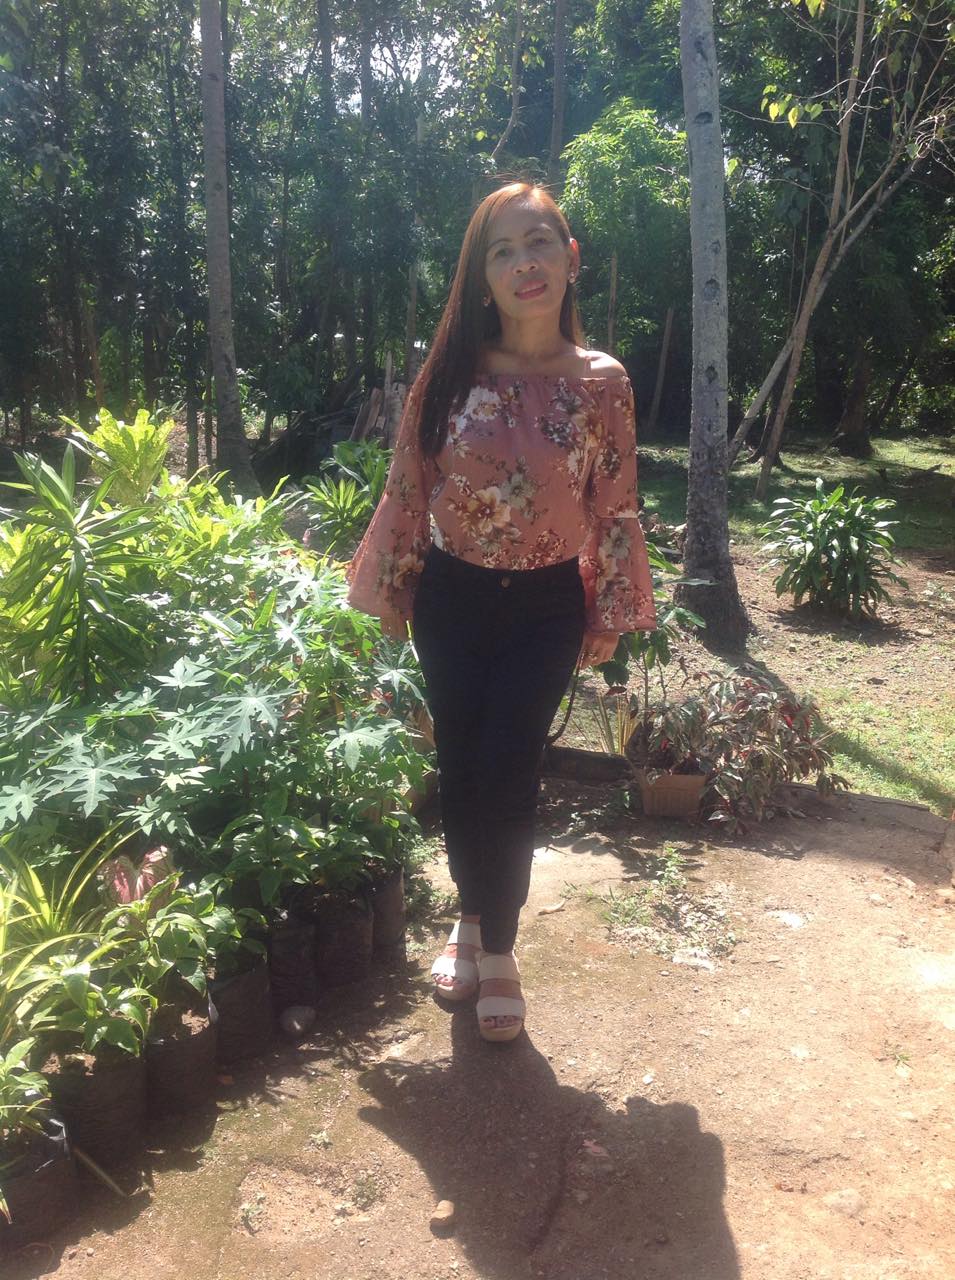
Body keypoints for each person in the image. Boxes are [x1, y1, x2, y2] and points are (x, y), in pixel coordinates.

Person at [347, 181, 657, 1042]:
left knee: (511, 770)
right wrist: (389, 590)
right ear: (481, 277)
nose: (525, 264)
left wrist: (607, 610)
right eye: (503, 250)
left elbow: (614, 505)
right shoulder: (450, 373)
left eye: (539, 242)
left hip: (547, 604)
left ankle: (501, 949)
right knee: (462, 767)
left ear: (570, 258)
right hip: (453, 599)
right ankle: (469, 917)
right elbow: (408, 487)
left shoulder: (602, 383)